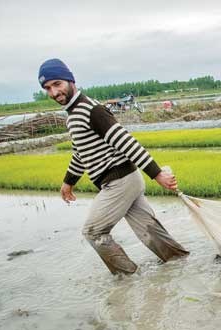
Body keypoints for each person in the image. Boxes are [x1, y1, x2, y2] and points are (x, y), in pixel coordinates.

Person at [38, 58, 189, 275]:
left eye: (57, 84)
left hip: (119, 181)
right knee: (150, 232)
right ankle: (182, 265)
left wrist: (157, 175)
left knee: (93, 232)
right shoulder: (73, 116)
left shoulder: (91, 109)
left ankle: (127, 279)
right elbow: (80, 154)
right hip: (126, 180)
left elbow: (126, 142)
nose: (53, 92)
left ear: (71, 80)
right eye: (47, 88)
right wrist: (68, 183)